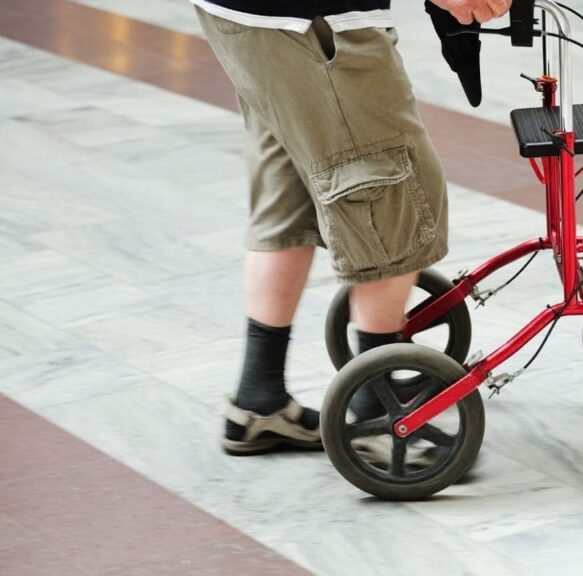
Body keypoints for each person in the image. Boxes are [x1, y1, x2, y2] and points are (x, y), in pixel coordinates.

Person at [193, 0, 513, 455]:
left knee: (290, 188)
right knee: (391, 188)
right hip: (311, 21)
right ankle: (379, 418)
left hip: (249, 18)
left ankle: (257, 400)